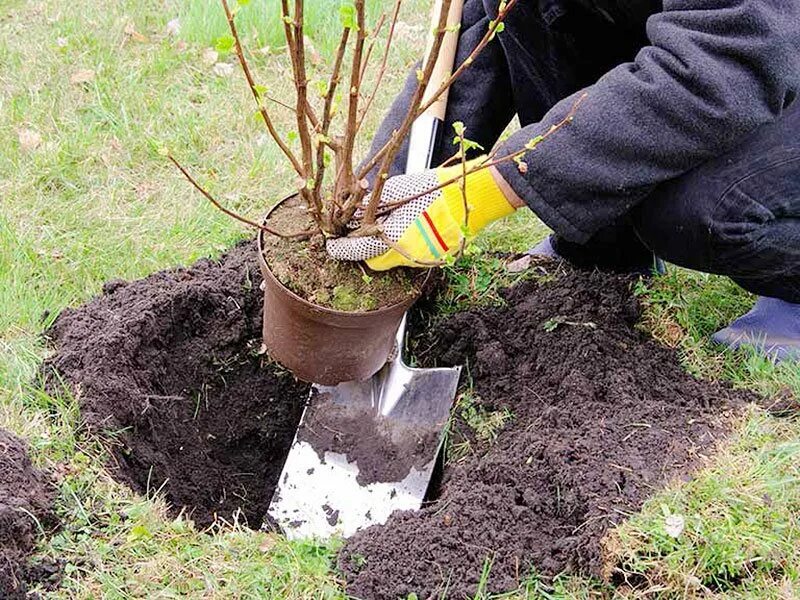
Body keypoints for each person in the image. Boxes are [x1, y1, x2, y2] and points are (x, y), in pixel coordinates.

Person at [327, 0, 800, 362]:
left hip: (761, 47)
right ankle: (604, 243)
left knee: (698, 210)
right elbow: (485, 31)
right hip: (735, 46)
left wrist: (500, 182)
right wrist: (385, 191)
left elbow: (732, 53)